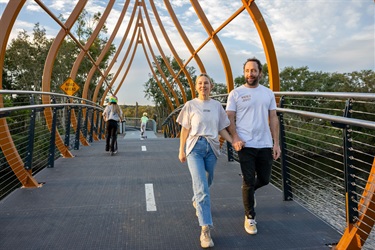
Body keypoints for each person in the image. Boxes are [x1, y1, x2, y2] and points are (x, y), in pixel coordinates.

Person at [226, 57, 281, 235]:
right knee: (248, 180)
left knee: (264, 179)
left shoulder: (268, 93)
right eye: (248, 71)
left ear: (260, 73)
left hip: (264, 143)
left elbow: (273, 117)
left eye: (254, 71)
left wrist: (276, 143)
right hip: (245, 144)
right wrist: (235, 137)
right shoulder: (235, 93)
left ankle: (249, 194)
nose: (250, 74)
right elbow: (229, 117)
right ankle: (250, 217)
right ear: (244, 73)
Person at [177, 73, 232, 248]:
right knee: (202, 188)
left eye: (206, 83)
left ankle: (197, 199)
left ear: (211, 86)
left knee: (208, 181)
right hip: (195, 148)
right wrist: (181, 150)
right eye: (200, 83)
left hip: (212, 148)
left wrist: (233, 141)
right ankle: (205, 229)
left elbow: (222, 128)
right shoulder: (190, 105)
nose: (203, 86)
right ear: (196, 86)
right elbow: (185, 130)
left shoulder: (216, 106)